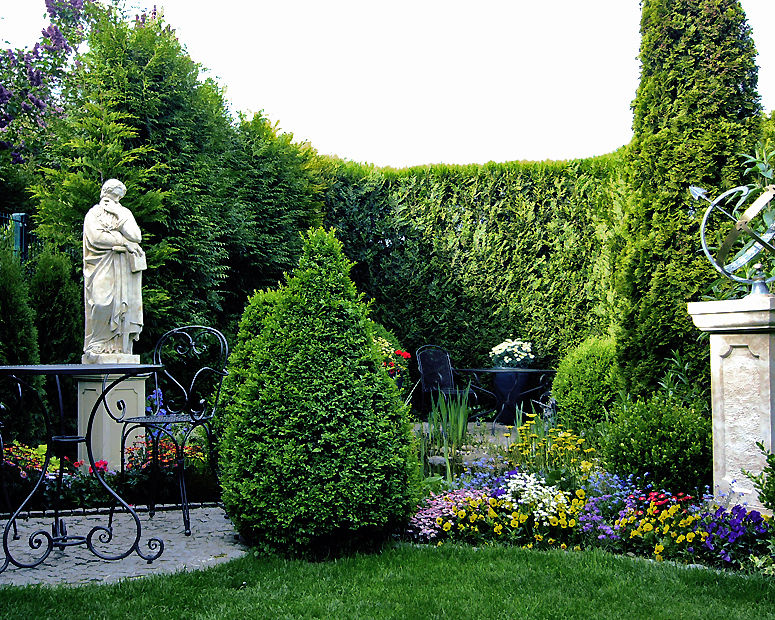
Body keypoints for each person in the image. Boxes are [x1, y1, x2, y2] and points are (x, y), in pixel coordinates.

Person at [82, 178, 146, 361]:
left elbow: (137, 236)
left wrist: (119, 213)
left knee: (122, 307)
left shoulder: (123, 212)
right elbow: (96, 238)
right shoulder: (93, 214)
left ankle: (119, 348)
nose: (113, 201)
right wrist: (123, 241)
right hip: (101, 265)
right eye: (112, 197)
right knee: (102, 302)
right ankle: (96, 344)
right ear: (104, 193)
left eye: (118, 199)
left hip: (122, 268)